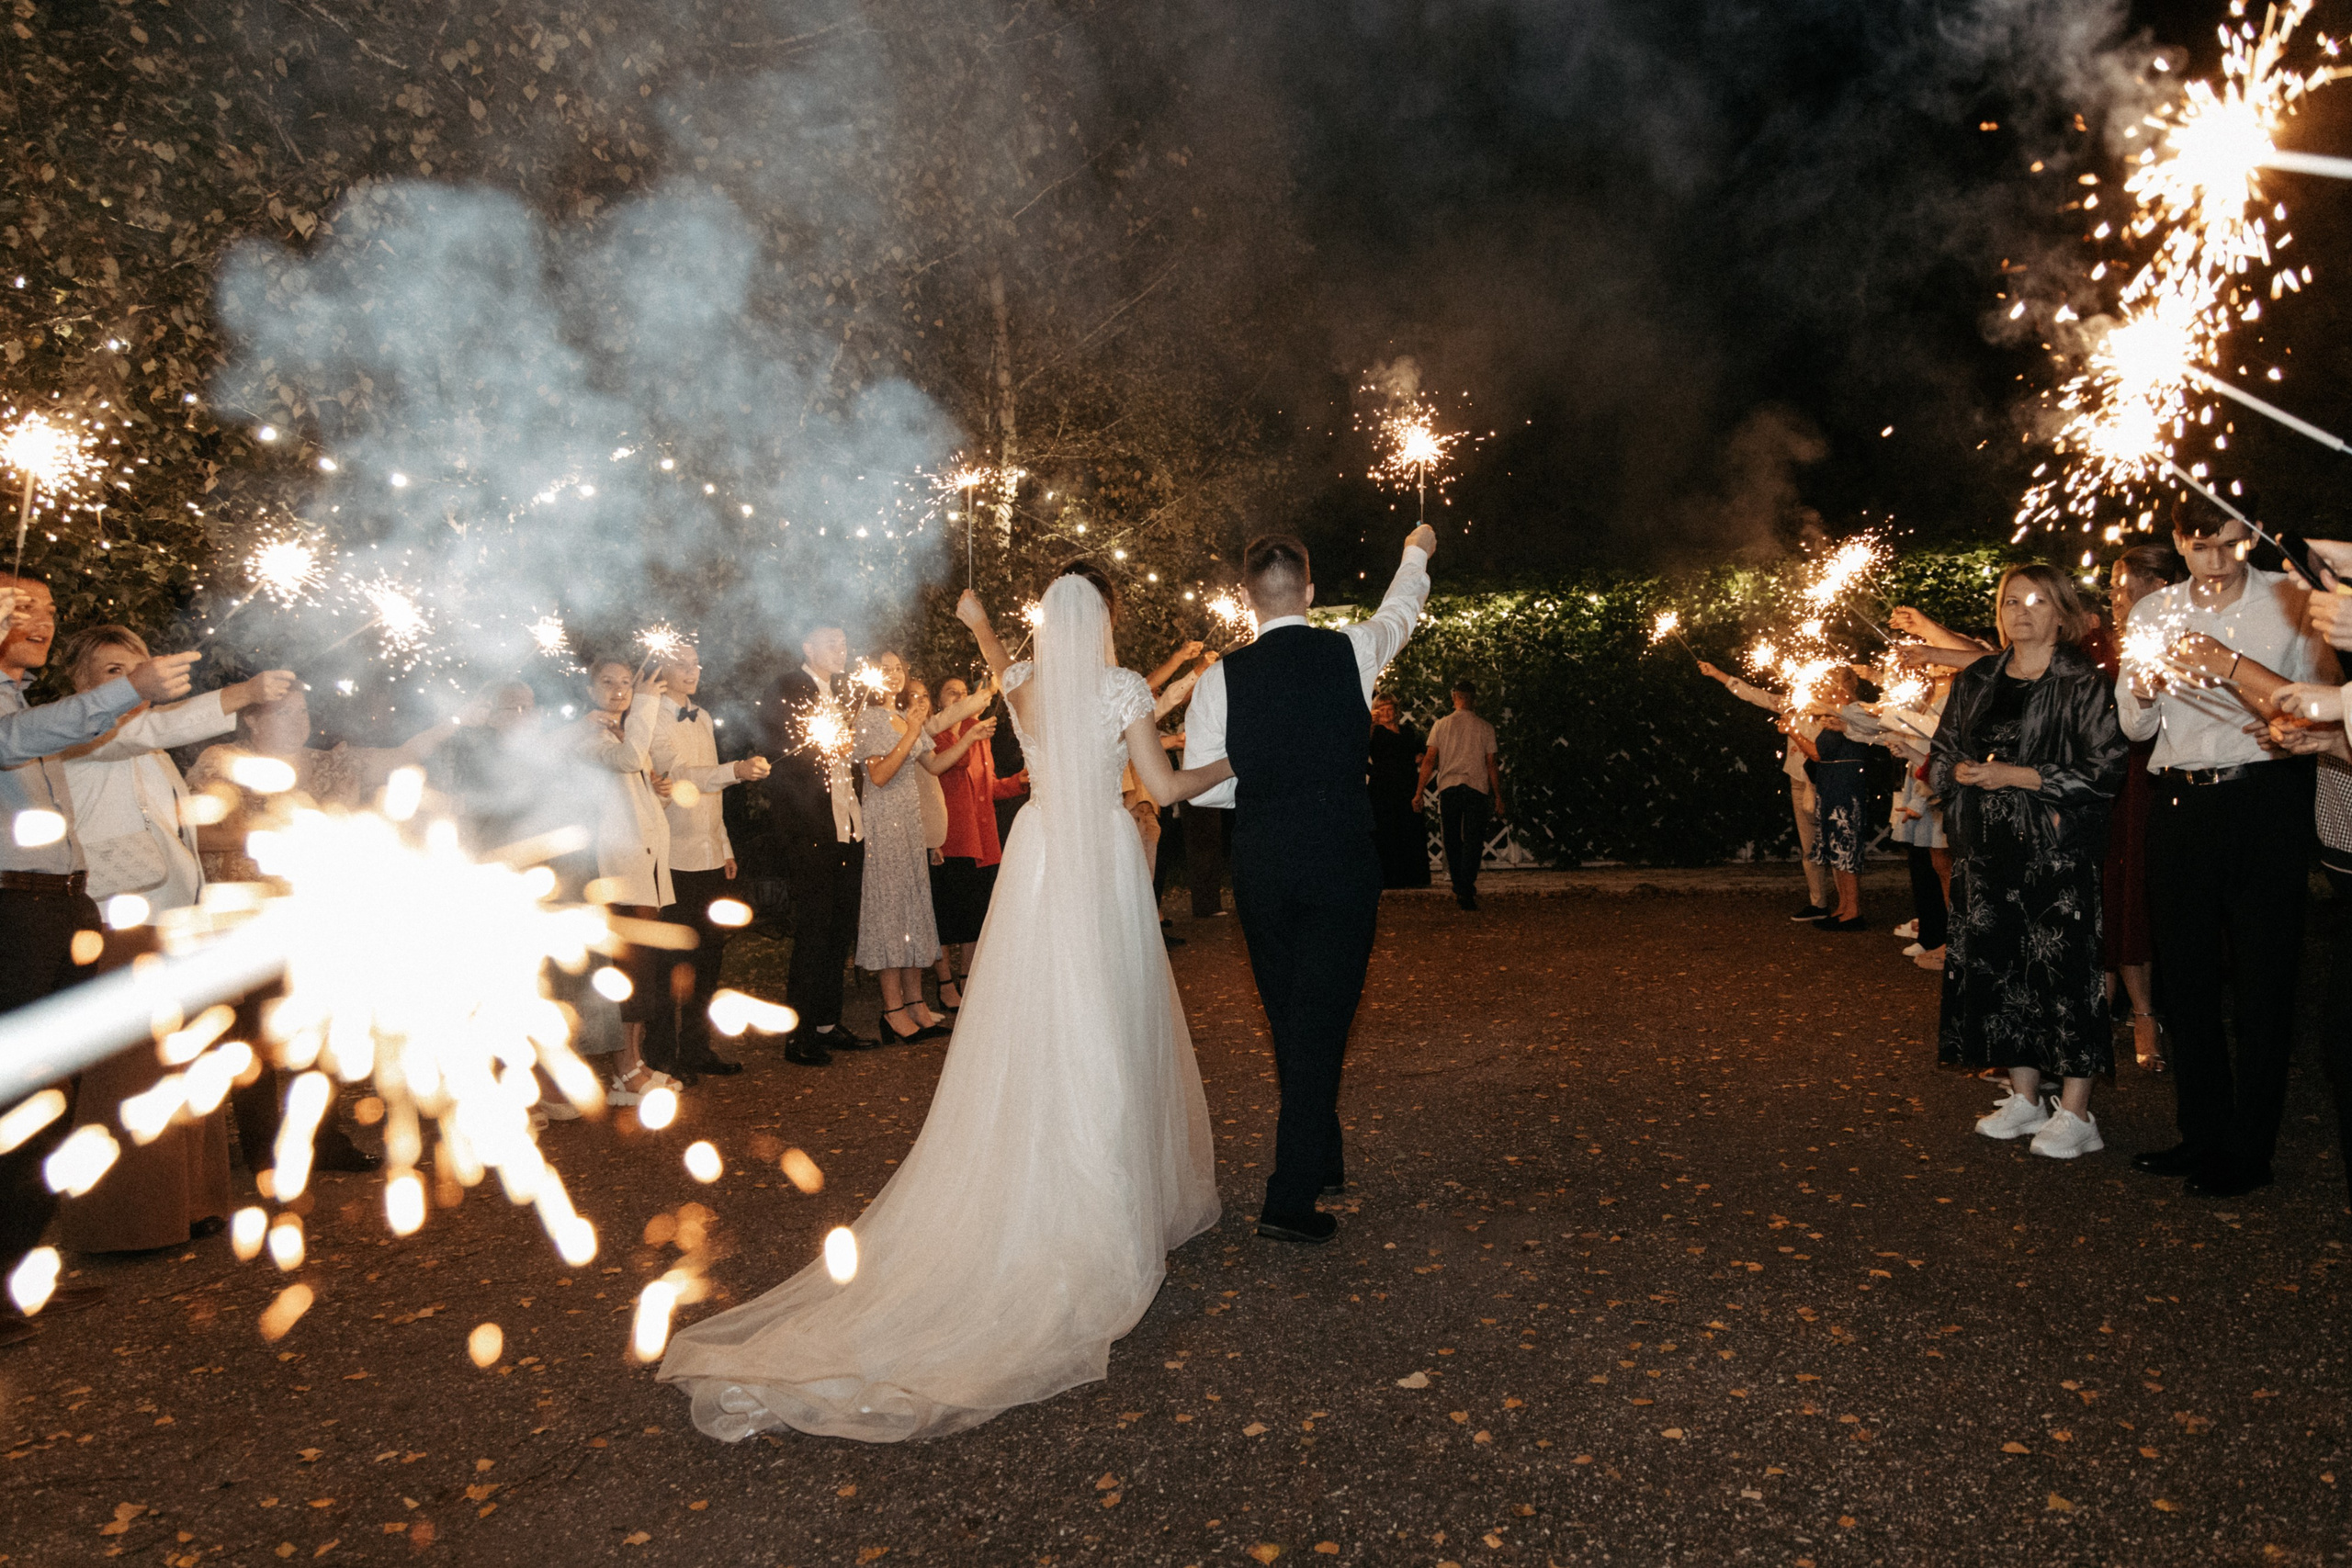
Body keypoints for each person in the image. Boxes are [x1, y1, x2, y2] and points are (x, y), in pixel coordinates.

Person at [659, 568, 1233, 1442]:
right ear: (1108, 623)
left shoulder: (1028, 687)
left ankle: (1052, 1171)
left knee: (1039, 1019)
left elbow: (1003, 666)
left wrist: (976, 622)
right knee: (1110, 1016)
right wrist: (1236, 759)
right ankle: (1104, 1209)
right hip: (1103, 863)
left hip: (1040, 861)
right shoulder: (1118, 688)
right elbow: (1167, 789)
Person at [1185, 525, 1437, 1243]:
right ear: (1311, 591)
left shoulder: (1219, 678)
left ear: (1247, 599)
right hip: (1338, 858)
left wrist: (1268, 786)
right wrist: (1414, 549)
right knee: (1319, 1020)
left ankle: (1321, 1156)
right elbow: (1401, 613)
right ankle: (1288, 1200)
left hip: (1262, 861)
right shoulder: (1352, 648)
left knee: (1296, 1015)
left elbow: (1206, 789)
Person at [0, 576, 198, 1346]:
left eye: (47, 611)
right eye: (19, 607)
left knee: (51, 1098)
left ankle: (16, 1278)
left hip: (60, 904)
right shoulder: (28, 720)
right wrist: (135, 691)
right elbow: (25, 741)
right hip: (10, 910)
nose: (39, 621)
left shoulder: (30, 708)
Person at [53, 626, 292, 1255]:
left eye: (137, 668)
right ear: (81, 686)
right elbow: (151, 727)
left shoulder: (149, 750)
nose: (132, 682)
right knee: (129, 1075)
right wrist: (242, 693)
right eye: (111, 671)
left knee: (184, 1062)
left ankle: (191, 1206)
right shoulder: (85, 734)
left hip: (174, 922)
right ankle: (124, 1223)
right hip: (120, 920)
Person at [2115, 512, 2331, 1199]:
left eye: (2230, 542)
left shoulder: (2289, 597)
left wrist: (2272, 707)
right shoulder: (2155, 608)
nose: (2215, 558)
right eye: (2200, 544)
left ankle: (2250, 1147)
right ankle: (2202, 1132)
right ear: (2179, 542)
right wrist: (2144, 688)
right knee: (2185, 975)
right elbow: (2132, 723)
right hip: (2179, 803)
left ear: (2252, 536)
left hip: (2265, 797)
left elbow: (2327, 704)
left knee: (2265, 976)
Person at [1931, 564, 2128, 1158]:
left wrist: (2018, 775)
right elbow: (1943, 748)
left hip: (2055, 851)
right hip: (1986, 849)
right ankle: (2024, 1096)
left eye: (2037, 601)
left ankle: (2076, 1109)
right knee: (1999, 967)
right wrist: (1958, 774)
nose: (2022, 611)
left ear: (2062, 613)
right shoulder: (1978, 677)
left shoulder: (2084, 682)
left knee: (2065, 973)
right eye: (2011, 600)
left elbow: (2106, 768)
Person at [854, 652, 994, 1044]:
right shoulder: (868, 720)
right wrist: (911, 733)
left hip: (912, 827)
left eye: (899, 667)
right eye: (885, 669)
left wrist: (970, 736)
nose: (895, 674)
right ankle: (892, 1010)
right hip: (885, 827)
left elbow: (934, 766)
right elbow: (879, 775)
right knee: (891, 913)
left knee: (914, 913)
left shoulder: (904, 720)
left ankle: (916, 1005)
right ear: (868, 676)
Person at [650, 644, 771, 1082]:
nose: (691, 670)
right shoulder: (653, 717)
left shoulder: (700, 716)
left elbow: (710, 790)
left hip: (708, 855)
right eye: (681, 663)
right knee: (672, 963)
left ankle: (697, 1048)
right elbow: (681, 774)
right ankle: (663, 1055)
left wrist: (724, 844)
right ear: (660, 669)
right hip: (673, 857)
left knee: (708, 958)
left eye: (696, 663)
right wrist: (735, 770)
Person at [761, 623, 873, 1066]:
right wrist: (825, 750)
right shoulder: (787, 687)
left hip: (848, 828)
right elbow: (781, 750)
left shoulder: (842, 694)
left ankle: (827, 1021)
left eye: (845, 642)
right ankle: (799, 1033)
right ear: (807, 646)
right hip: (811, 830)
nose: (841, 649)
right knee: (813, 931)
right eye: (832, 643)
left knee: (839, 929)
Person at [2103, 544, 2188, 1073]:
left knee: (2137, 897)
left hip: (2148, 782)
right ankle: (2099, 1013)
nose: (2114, 596)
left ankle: (2146, 1014)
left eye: (2121, 584)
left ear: (2156, 586)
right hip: (2107, 782)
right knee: (2109, 895)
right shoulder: (2108, 643)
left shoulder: (2179, 638)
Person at [1697, 660, 1830, 919]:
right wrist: (1717, 674)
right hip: (1798, 779)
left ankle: (1848, 908)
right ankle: (1819, 904)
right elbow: (1754, 695)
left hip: (1827, 779)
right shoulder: (1792, 703)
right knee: (1809, 846)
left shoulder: (1831, 709)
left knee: (1835, 842)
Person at [925, 675, 1020, 1006]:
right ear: (940, 702)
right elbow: (958, 761)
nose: (961, 698)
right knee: (945, 916)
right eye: (953, 693)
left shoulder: (978, 735)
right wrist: (970, 726)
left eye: (965, 693)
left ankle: (968, 978)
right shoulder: (933, 733)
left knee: (973, 914)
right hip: (949, 837)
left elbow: (990, 786)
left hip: (980, 838)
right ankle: (945, 983)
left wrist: (1019, 781)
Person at [1788, 667, 1871, 931]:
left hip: (1844, 785)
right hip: (1833, 783)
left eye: (1827, 685)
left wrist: (1792, 732)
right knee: (1838, 847)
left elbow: (1817, 753)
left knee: (1846, 846)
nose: (1822, 689)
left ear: (1839, 687)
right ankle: (1844, 907)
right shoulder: (1836, 714)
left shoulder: (1853, 712)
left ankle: (1853, 911)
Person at [1416, 677, 1500, 910]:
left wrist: (1419, 791)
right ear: (1473, 700)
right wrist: (1498, 795)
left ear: (1454, 698)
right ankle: (1466, 885)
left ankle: (1459, 884)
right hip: (1476, 787)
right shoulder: (1485, 727)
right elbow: (1491, 763)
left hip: (1450, 786)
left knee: (1452, 838)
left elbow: (1430, 760)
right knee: (1473, 839)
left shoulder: (1441, 725)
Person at [1367, 693, 1430, 888]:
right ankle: (1388, 878)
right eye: (1382, 709)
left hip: (1407, 787)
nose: (1387, 712)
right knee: (1387, 831)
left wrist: (1419, 758)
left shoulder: (1408, 732)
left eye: (1390, 708)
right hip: (1383, 790)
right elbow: (1360, 754)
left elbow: (1421, 752)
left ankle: (1413, 877)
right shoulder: (1374, 733)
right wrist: (1376, 772)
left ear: (1396, 710)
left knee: (1409, 830)